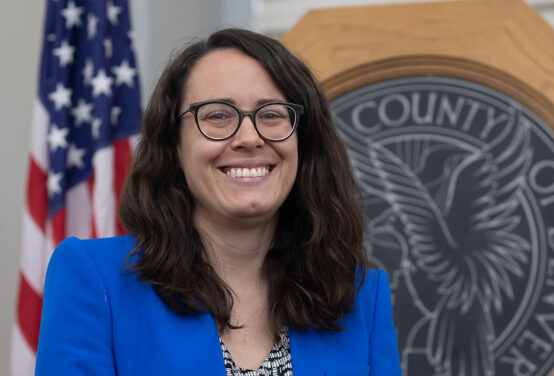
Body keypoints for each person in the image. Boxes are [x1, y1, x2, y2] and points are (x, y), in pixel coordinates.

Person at [35, 28, 401, 375]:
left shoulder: (361, 298)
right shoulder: (94, 280)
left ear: (303, 144)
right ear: (175, 145)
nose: (249, 137)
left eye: (271, 114)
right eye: (218, 115)